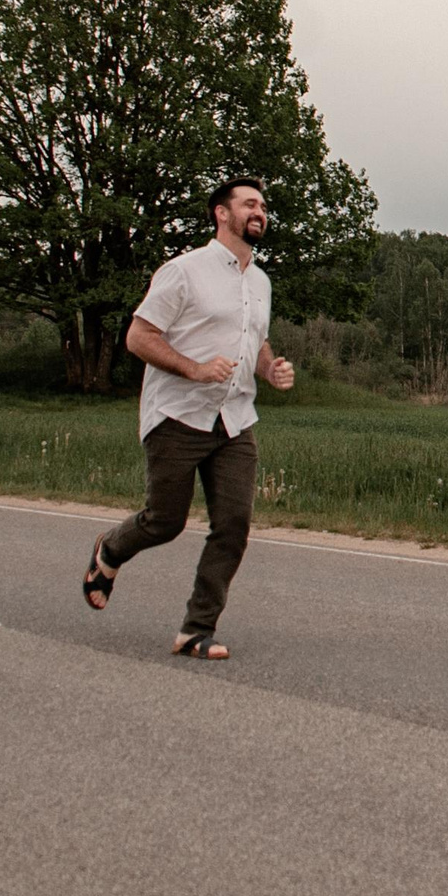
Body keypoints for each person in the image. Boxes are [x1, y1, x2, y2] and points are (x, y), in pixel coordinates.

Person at [80, 176, 295, 659]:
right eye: (249, 204)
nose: (259, 212)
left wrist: (270, 367)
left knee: (234, 524)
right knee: (165, 521)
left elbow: (254, 339)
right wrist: (195, 369)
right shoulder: (183, 271)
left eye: (262, 205)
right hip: (178, 415)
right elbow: (139, 337)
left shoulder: (260, 281)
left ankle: (196, 629)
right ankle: (110, 551)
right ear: (221, 213)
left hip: (235, 419)